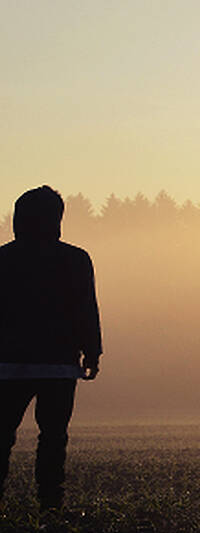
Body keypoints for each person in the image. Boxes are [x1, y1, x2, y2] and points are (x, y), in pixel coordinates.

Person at [0, 186, 102, 512]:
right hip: (58, 364)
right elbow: (86, 308)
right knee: (54, 435)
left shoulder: (3, 259)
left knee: (1, 436)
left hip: (8, 364)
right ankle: (50, 501)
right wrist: (93, 350)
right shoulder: (75, 259)